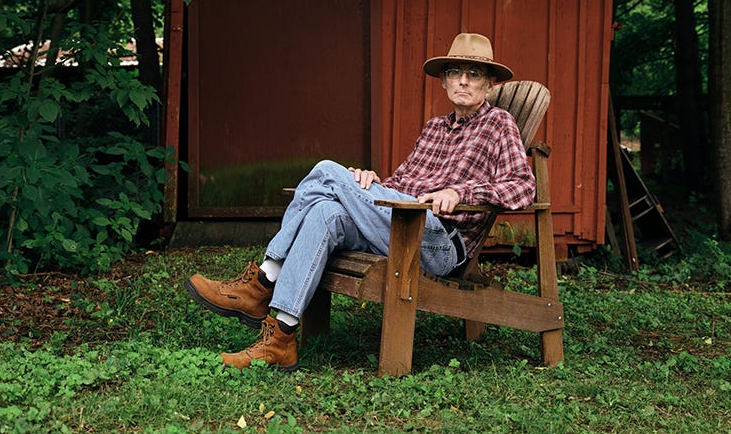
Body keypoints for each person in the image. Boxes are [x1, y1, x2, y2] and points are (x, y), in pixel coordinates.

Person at [184, 33, 536, 371]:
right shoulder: (433, 128)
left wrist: (461, 193)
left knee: (325, 169)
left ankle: (262, 283)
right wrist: (370, 181)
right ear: (443, 82)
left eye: (473, 74)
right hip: (399, 224)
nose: (462, 81)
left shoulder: (498, 124)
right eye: (454, 73)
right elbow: (401, 184)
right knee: (325, 210)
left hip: (437, 243)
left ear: (489, 85)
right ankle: (281, 339)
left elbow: (522, 187)